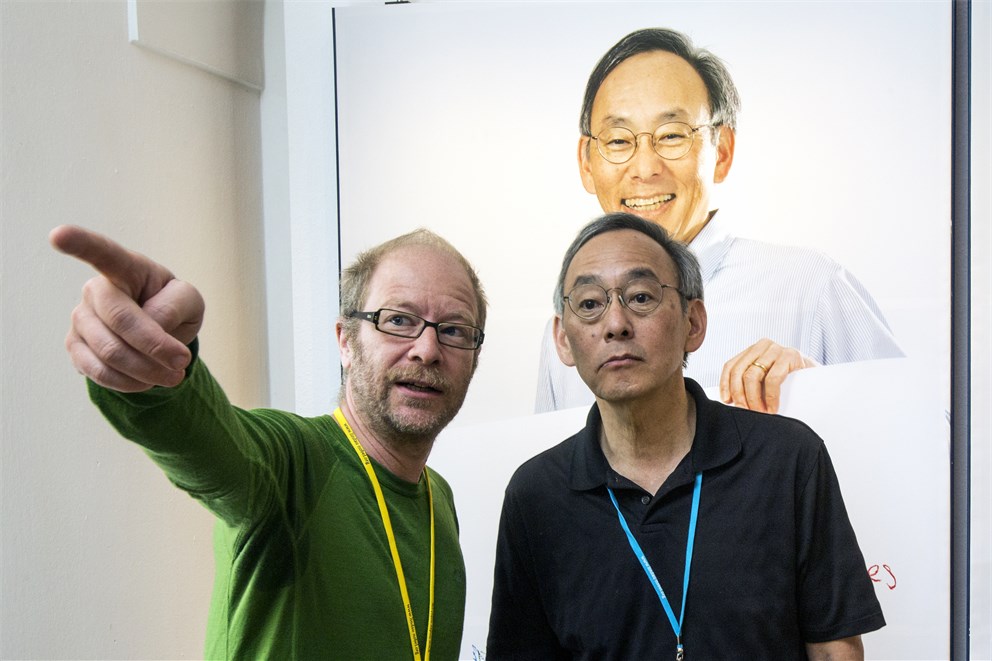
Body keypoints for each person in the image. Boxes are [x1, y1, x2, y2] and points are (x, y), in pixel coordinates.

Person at [50, 224, 488, 660]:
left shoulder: (438, 498)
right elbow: (209, 443)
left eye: (453, 331)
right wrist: (156, 370)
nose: (427, 349)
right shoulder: (290, 464)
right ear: (346, 343)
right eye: (397, 321)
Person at [490, 213, 885, 659]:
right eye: (588, 304)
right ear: (562, 339)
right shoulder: (535, 495)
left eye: (641, 297)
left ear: (693, 323)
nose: (615, 323)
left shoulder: (788, 458)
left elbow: (835, 650)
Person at [535, 27, 903, 415]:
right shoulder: (568, 328)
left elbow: (927, 440)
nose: (644, 168)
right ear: (586, 163)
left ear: (722, 151)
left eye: (672, 135)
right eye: (618, 141)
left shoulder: (812, 288)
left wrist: (817, 390)